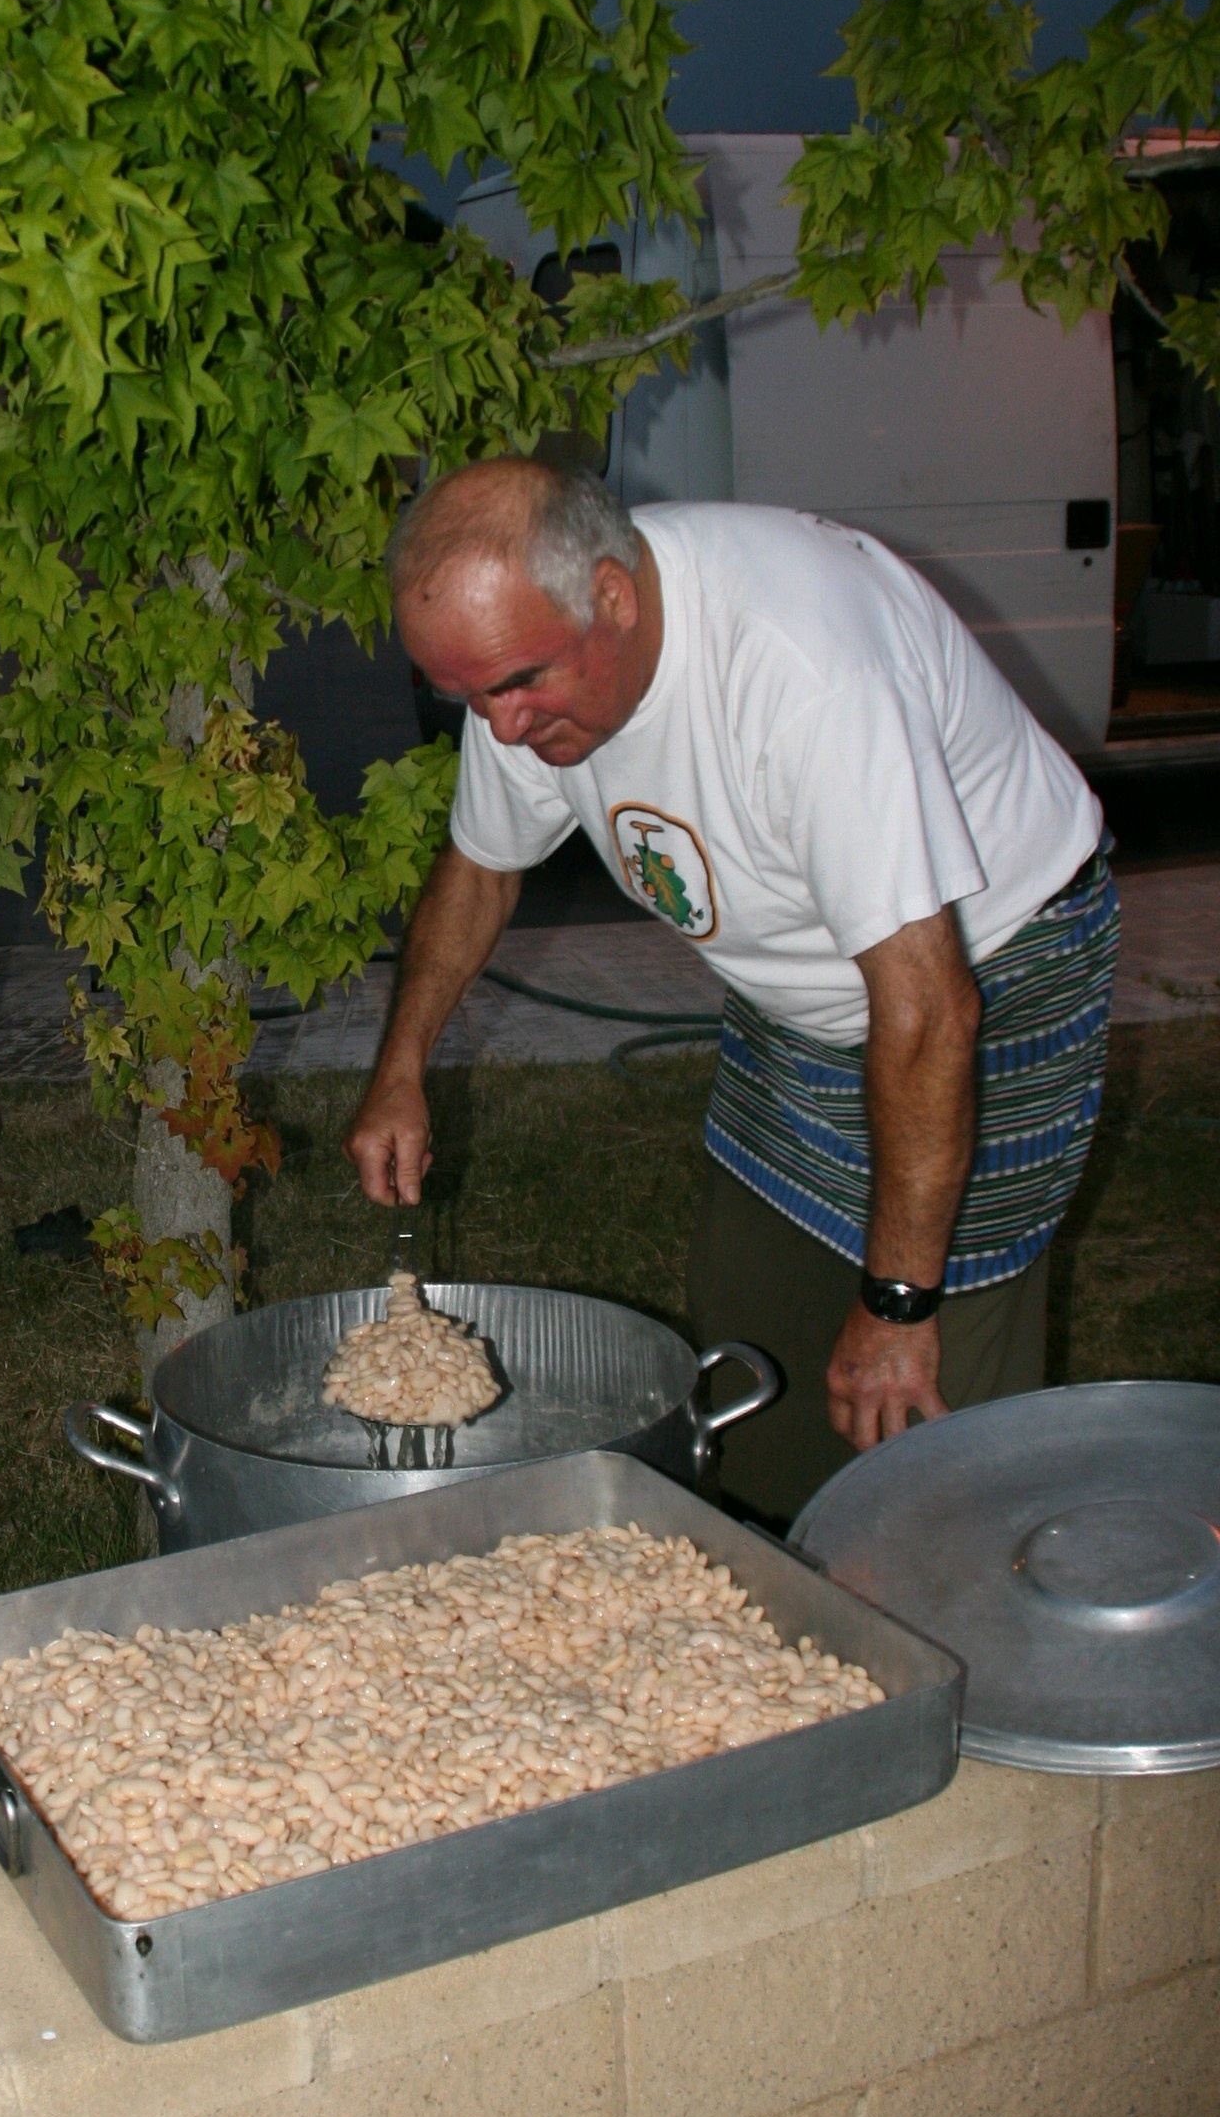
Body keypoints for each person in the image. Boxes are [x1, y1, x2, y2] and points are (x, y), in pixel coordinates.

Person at [344, 460, 1118, 1525]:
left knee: (924, 1395)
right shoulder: (527, 653)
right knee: (754, 1337)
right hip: (799, 1001)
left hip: (985, 975)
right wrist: (399, 1070)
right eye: (465, 696)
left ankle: (944, 1573)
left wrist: (899, 1303)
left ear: (613, 597)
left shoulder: (805, 672)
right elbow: (481, 867)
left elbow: (929, 1009)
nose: (501, 726)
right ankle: (774, 1556)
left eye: (515, 684)